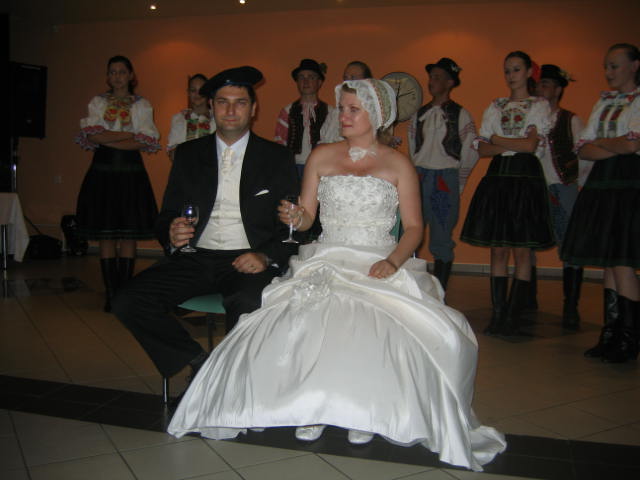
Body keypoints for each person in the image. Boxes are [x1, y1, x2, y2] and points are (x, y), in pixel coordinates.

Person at [168, 78, 506, 472]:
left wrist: (394, 261)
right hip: (328, 254)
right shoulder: (322, 156)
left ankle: (362, 410)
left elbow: (415, 228)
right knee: (308, 314)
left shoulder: (397, 163)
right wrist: (296, 216)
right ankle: (309, 403)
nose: (342, 116)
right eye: (341, 108)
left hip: (378, 256)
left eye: (352, 109)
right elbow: (307, 219)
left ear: (376, 115)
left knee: (371, 319)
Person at [111, 66, 300, 381]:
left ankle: (236, 381)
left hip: (247, 258)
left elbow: (291, 227)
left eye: (240, 102)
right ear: (211, 106)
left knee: (250, 301)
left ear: (254, 109)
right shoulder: (187, 154)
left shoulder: (277, 157)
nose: (230, 110)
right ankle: (199, 362)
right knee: (127, 300)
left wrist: (266, 256)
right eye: (222, 102)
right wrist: (171, 233)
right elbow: (166, 215)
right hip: (195, 257)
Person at [460, 51, 554, 336]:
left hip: (525, 178)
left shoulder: (539, 106)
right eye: (507, 70)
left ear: (528, 72)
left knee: (522, 249)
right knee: (498, 248)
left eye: (516, 69)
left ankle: (514, 314)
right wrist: (513, 142)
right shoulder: (496, 106)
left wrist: (498, 139)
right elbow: (483, 149)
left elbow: (529, 146)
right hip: (499, 177)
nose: (511, 75)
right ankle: (498, 313)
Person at [562, 43, 640, 363]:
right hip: (603, 183)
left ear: (634, 66)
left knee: (622, 260)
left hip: (629, 183)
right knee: (609, 260)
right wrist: (615, 145)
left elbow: (633, 145)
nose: (608, 72)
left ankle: (629, 339)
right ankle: (611, 334)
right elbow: (583, 148)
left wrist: (604, 145)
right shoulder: (604, 102)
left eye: (615, 66)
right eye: (606, 66)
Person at [74, 55, 161, 312]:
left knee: (128, 232)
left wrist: (108, 138)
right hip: (102, 172)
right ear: (107, 76)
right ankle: (111, 293)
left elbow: (145, 139)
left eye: (122, 72)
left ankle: (124, 292)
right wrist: (128, 135)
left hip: (131, 172)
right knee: (106, 233)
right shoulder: (98, 102)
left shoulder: (142, 104)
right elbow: (93, 135)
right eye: (112, 72)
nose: (117, 76)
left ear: (131, 76)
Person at [408, 58, 479, 291]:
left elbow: (471, 150)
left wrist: (458, 180)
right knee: (412, 231)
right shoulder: (420, 113)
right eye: (431, 77)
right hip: (420, 176)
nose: (432, 81)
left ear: (450, 82)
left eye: (438, 77)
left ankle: (440, 291)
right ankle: (411, 287)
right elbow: (412, 147)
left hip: (444, 179)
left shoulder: (461, 114)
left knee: (441, 236)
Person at [534, 64, 587, 329]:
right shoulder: (532, 119)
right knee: (529, 242)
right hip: (536, 188)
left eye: (545, 84)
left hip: (563, 187)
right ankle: (527, 298)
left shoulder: (571, 120)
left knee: (570, 246)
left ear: (557, 89)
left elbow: (583, 157)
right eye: (539, 84)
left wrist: (576, 185)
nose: (539, 89)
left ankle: (571, 305)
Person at [275, 58, 334, 177]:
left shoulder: (331, 112)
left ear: (319, 82)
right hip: (293, 167)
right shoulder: (287, 111)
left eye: (311, 77)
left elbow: (334, 144)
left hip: (321, 168)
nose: (305, 81)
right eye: (301, 77)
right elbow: (279, 143)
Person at [320, 60, 373, 144]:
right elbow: (323, 139)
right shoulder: (334, 113)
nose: (347, 82)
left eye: (353, 78)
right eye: (345, 78)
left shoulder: (372, 112)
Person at [166, 73, 215, 161]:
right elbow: (172, 155)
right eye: (193, 90)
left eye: (201, 90)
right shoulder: (179, 119)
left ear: (208, 92)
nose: (197, 94)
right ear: (188, 93)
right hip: (185, 168)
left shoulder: (217, 119)